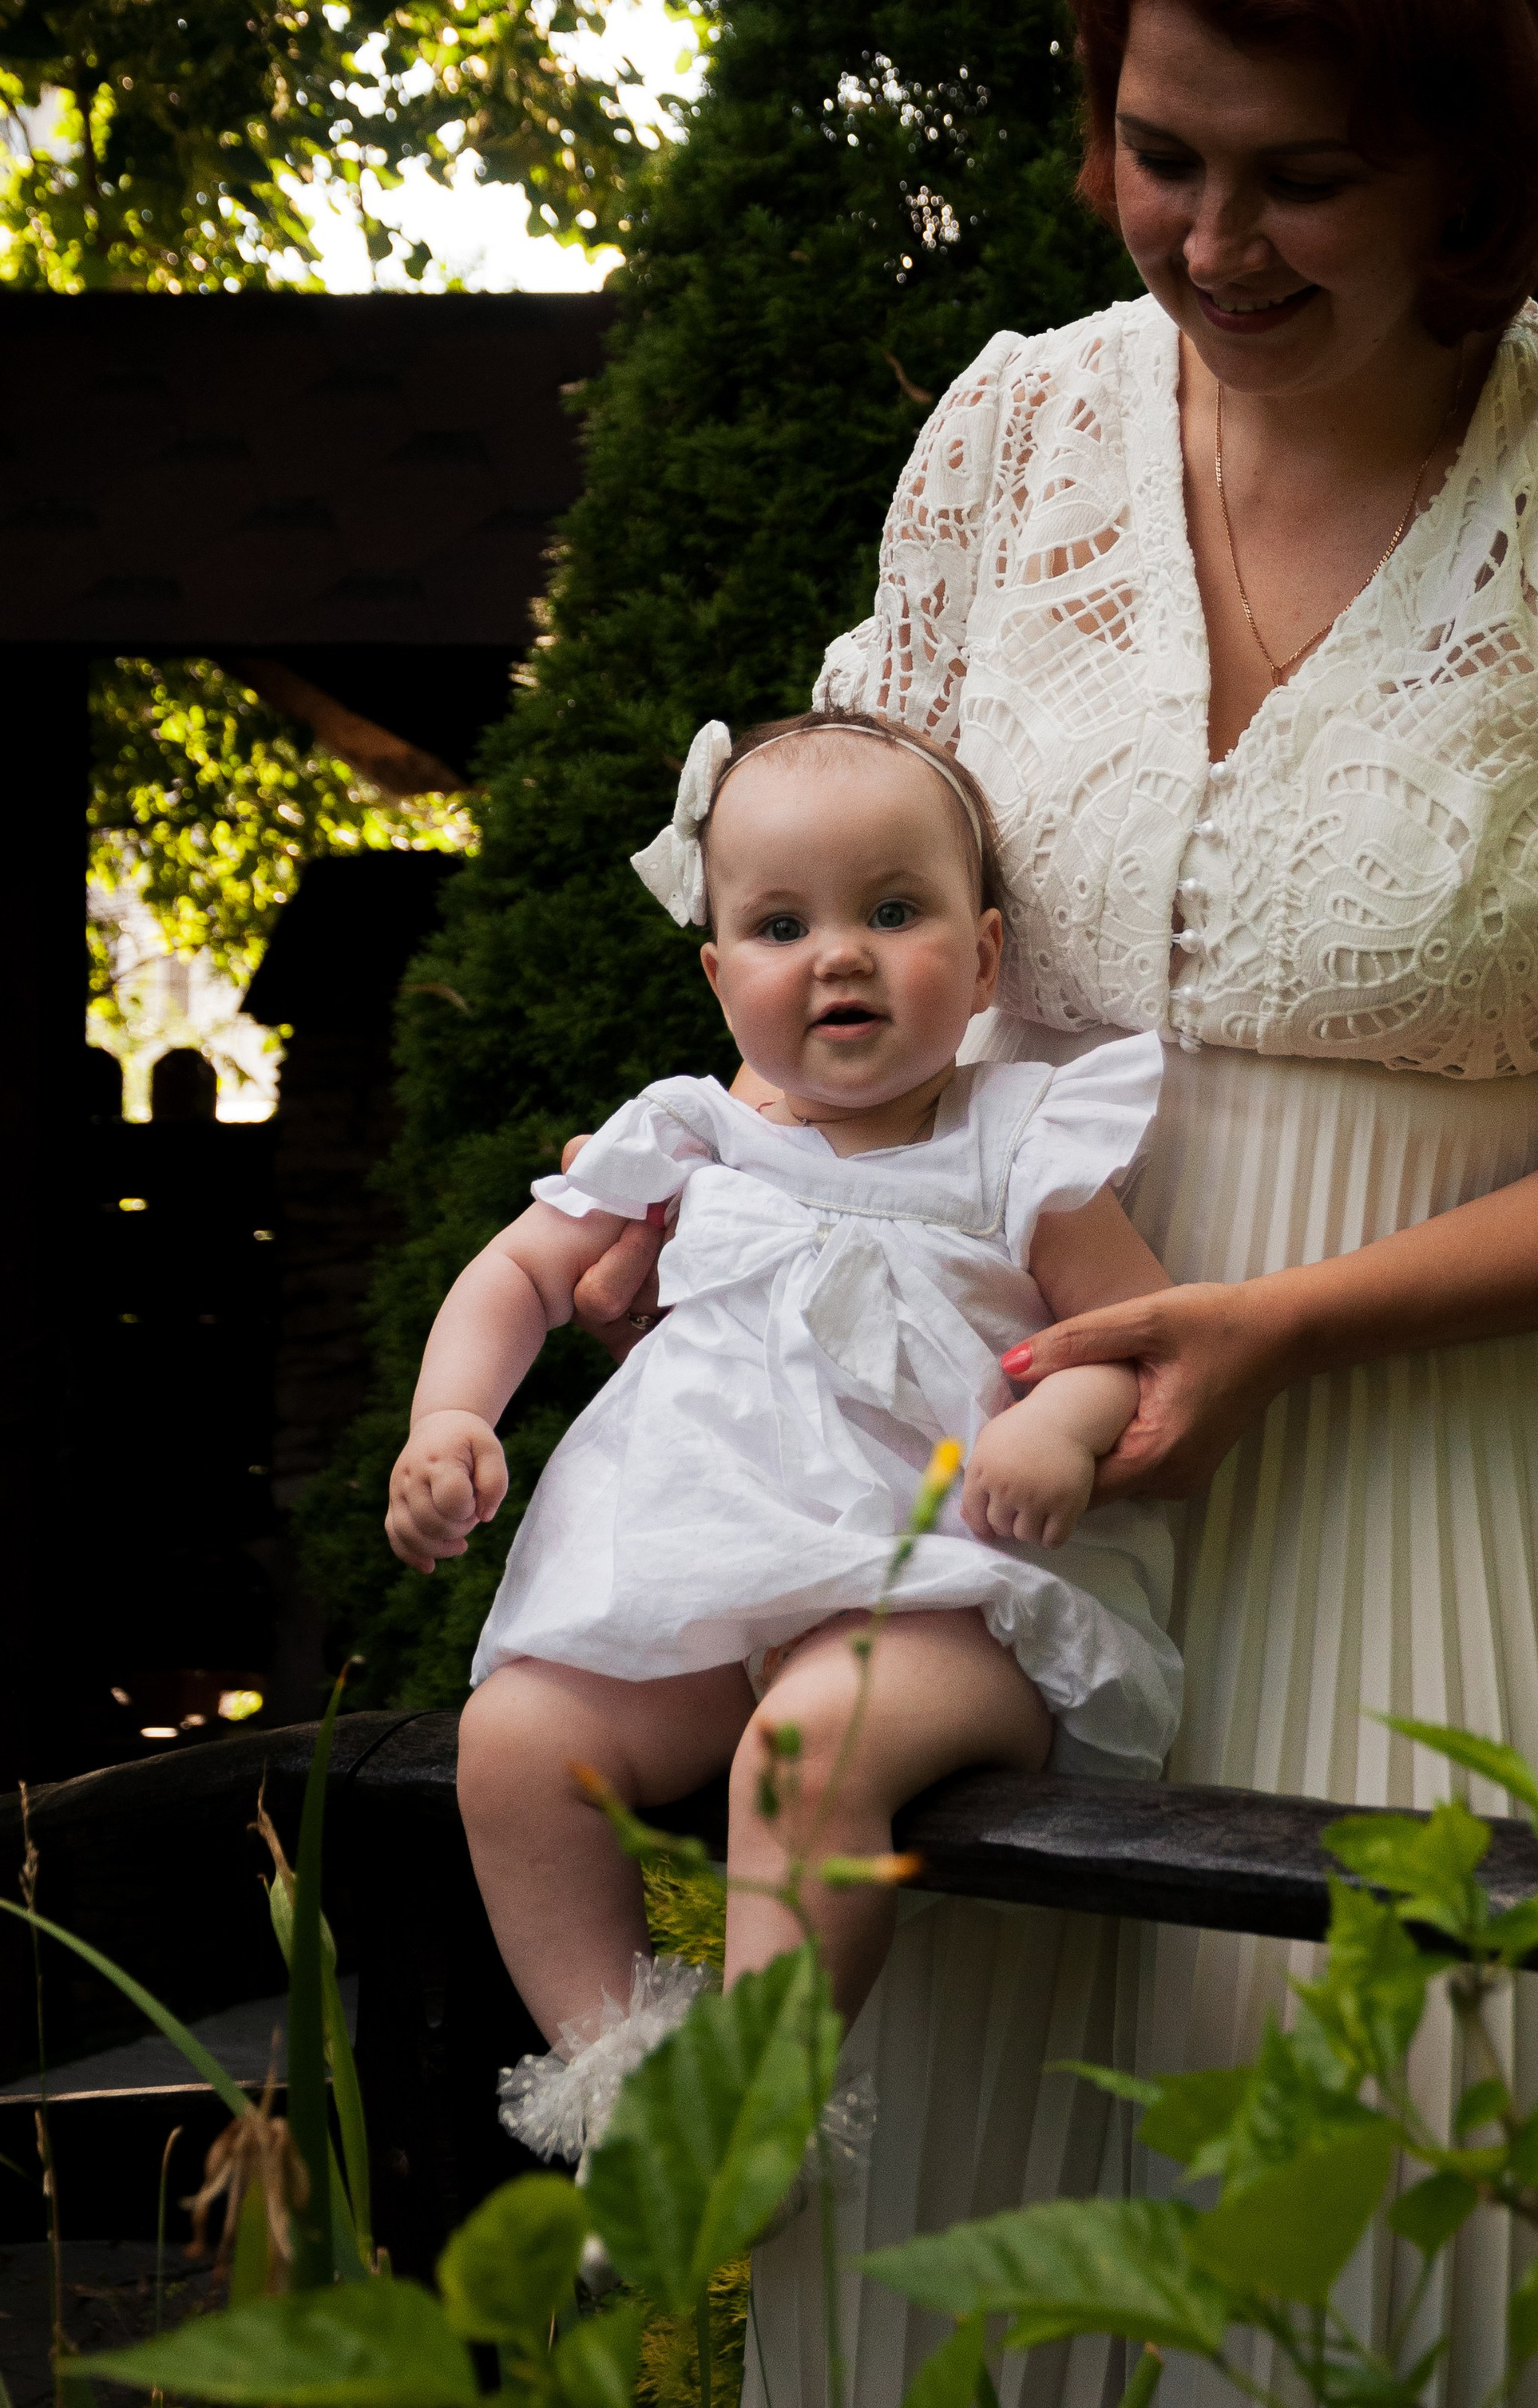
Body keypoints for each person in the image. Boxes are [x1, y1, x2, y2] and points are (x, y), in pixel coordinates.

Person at [581, 0, 1538, 2408]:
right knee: (969, 2210)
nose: (1208, 241)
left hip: (1439, 1464)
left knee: (1358, 2241)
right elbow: (863, 955)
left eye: (1301, 176)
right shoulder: (1006, 439)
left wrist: (1280, 1322)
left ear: (1473, 159)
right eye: (1157, 152)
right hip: (1013, 1470)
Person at [386, 708, 1182, 2161]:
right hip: (699, 1581)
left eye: (894, 911)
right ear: (717, 974)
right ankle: (623, 2075)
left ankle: (758, 2110)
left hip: (939, 1591)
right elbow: (518, 1272)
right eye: (779, 924)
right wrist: (451, 1418)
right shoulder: (688, 1134)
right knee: (514, 1741)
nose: (839, 954)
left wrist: (1060, 1424)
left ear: (987, 956)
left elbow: (1135, 1334)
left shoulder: (1024, 1145)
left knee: (806, 1755)